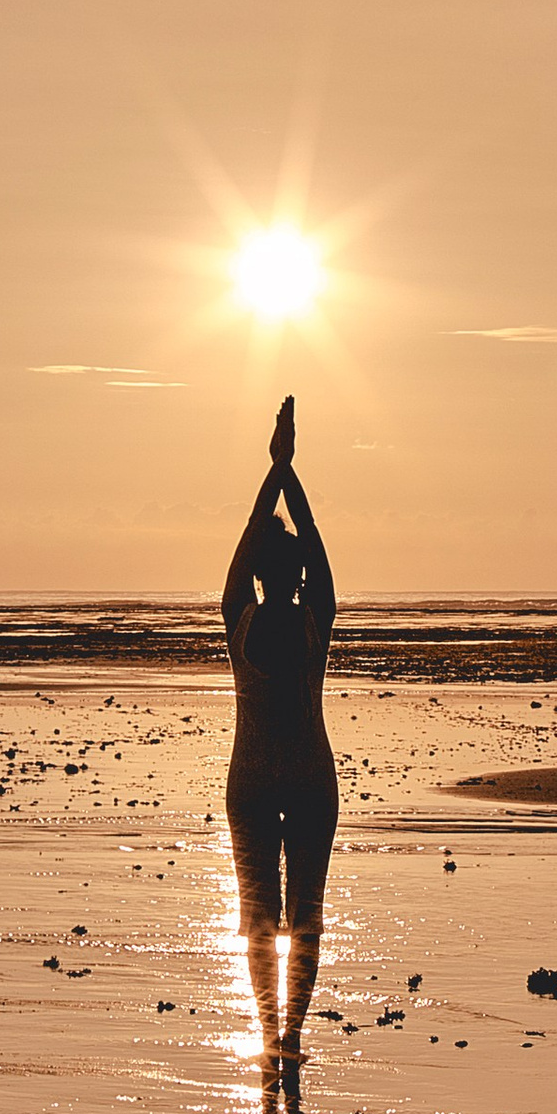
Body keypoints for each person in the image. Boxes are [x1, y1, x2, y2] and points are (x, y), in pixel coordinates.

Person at [221, 393, 338, 1065]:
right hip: (306, 780)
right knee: (304, 916)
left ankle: (274, 1034)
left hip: (255, 782)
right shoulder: (314, 617)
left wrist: (274, 473)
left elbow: (248, 541)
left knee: (260, 921)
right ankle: (286, 1035)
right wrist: (289, 473)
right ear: (290, 574)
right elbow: (315, 551)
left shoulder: (238, 617)